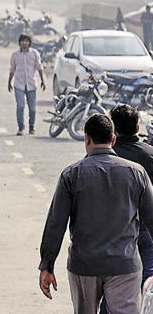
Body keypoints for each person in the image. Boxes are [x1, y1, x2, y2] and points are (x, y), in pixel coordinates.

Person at [38, 114, 153, 314]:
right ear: (113, 139)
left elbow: (56, 224)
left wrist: (47, 264)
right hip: (124, 265)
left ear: (87, 140)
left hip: (84, 265)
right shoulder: (137, 173)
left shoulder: (71, 174)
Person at [95, 105, 153, 313]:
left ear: (113, 130)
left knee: (111, 289)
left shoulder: (102, 157)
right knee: (147, 285)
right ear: (137, 126)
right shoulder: (149, 155)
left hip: (111, 233)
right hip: (145, 232)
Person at [8, 34, 46, 136]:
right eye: (22, 41)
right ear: (19, 43)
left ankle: (31, 126)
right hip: (19, 84)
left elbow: (39, 67)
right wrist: (9, 82)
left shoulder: (34, 53)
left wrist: (43, 80)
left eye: (26, 41)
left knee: (32, 108)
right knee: (20, 106)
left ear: (29, 43)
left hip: (31, 84)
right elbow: (12, 69)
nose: (24, 43)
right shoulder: (15, 55)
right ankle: (21, 127)